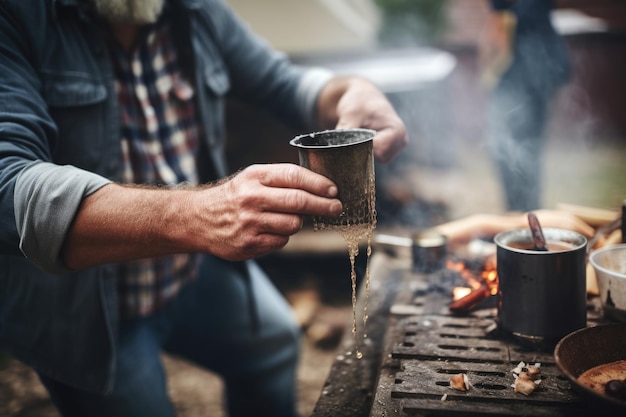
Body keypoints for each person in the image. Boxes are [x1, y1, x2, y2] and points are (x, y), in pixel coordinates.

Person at [0, 1, 408, 416]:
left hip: (188, 270)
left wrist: (350, 91)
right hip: (86, 305)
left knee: (275, 341)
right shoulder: (18, 16)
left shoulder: (193, 9)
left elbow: (281, 80)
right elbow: (7, 186)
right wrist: (196, 215)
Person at [481, 0, 571, 211]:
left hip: (531, 79)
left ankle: (525, 212)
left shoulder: (530, 9)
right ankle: (521, 211)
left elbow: (496, 40)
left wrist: (489, 69)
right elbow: (496, 35)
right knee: (507, 147)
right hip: (520, 77)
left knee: (524, 150)